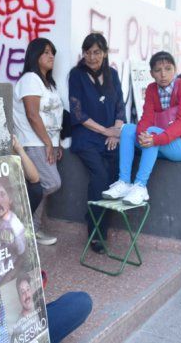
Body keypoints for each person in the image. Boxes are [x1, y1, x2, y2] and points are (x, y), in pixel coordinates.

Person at [102, 51, 181, 205]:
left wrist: (155, 138)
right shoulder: (151, 89)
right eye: (158, 70)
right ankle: (124, 182)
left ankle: (140, 186)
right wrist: (143, 135)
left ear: (175, 70)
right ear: (151, 73)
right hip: (159, 142)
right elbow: (146, 117)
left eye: (168, 69)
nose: (163, 74)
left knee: (152, 132)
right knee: (128, 128)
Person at [68, 33, 125, 254]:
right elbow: (78, 112)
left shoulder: (112, 74)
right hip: (87, 136)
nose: (92, 57)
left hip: (111, 137)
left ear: (104, 53)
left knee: (113, 181)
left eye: (97, 52)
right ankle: (95, 232)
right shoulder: (76, 75)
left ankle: (103, 228)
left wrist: (116, 132)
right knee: (99, 178)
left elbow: (120, 105)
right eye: (88, 52)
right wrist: (105, 130)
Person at [12, 38, 63, 246]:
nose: (51, 56)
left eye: (53, 52)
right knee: (50, 183)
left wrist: (55, 143)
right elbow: (33, 115)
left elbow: (54, 117)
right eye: (46, 52)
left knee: (40, 186)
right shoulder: (30, 79)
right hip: (32, 142)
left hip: (45, 142)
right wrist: (48, 143)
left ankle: (32, 229)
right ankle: (21, 225)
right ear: (35, 56)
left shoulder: (48, 84)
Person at [10, 273, 45, 342]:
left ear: (31, 291)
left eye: (28, 289)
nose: (27, 295)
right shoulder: (18, 328)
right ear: (19, 298)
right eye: (22, 292)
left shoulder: (39, 309)